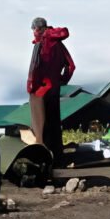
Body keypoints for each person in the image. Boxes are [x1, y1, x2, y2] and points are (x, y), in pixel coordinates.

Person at [26, 16, 75, 164]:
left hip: (40, 90)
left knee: (41, 126)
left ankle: (45, 161)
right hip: (54, 87)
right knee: (54, 123)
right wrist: (62, 80)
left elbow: (35, 68)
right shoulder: (58, 44)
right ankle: (59, 158)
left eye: (33, 29)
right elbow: (71, 66)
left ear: (37, 28)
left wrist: (31, 87)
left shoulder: (41, 43)